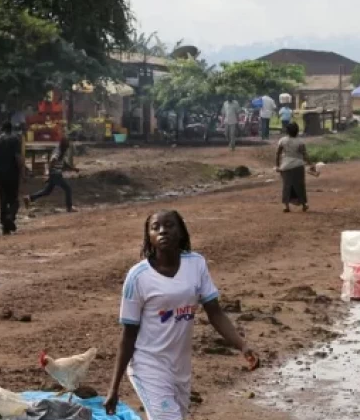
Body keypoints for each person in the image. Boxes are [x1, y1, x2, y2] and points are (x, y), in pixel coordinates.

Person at [106, 210, 257, 419]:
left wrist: (242, 345)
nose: (163, 231)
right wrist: (113, 388)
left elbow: (215, 312)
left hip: (180, 367)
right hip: (148, 364)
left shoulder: (196, 264)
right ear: (149, 236)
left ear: (181, 232)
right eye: (156, 227)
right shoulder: (138, 277)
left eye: (169, 225)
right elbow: (128, 334)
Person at [0, 122, 25, 235]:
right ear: (11, 129)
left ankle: (5, 226)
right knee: (14, 200)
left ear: (2, 129)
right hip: (13, 174)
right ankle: (10, 217)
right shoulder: (15, 139)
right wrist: (22, 172)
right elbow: (18, 158)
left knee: (3, 200)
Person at [25, 137, 77, 212]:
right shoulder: (58, 151)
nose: (67, 148)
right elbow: (52, 160)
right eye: (66, 146)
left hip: (55, 174)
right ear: (63, 145)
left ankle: (29, 198)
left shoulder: (61, 151)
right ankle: (69, 207)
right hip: (55, 174)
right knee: (68, 188)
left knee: (47, 191)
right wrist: (49, 174)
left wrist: (73, 169)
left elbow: (63, 163)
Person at [275, 122, 311, 213]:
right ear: (297, 131)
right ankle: (304, 204)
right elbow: (305, 154)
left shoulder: (282, 140)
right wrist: (311, 164)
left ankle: (285, 205)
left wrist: (277, 166)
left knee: (286, 186)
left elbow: (278, 154)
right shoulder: (300, 141)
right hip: (298, 166)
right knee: (300, 186)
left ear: (287, 131)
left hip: (286, 166)